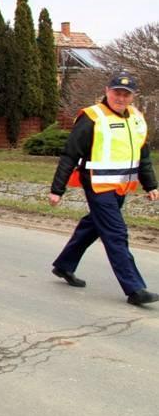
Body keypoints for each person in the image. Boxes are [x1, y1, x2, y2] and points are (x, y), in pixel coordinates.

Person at [48, 72, 158, 305]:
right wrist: (57, 190)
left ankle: (64, 265)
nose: (121, 97)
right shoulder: (92, 117)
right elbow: (70, 155)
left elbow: (143, 155)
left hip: (120, 187)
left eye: (126, 94)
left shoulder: (137, 118)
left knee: (92, 226)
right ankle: (135, 289)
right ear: (107, 90)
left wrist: (151, 185)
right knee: (116, 234)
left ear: (132, 96)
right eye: (117, 92)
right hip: (97, 185)